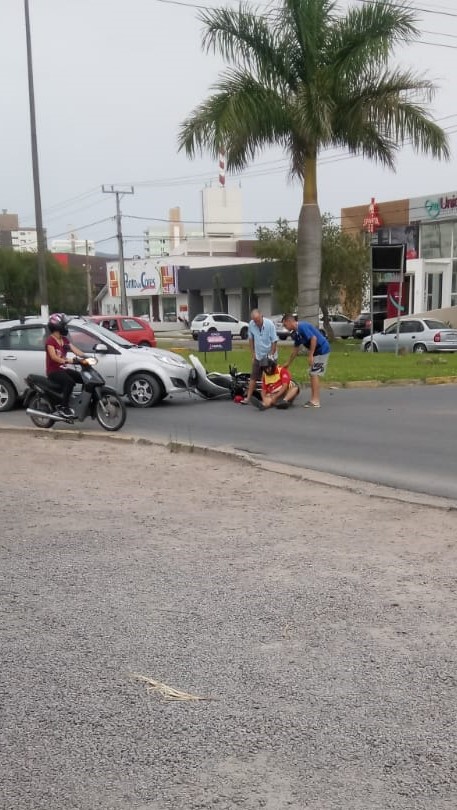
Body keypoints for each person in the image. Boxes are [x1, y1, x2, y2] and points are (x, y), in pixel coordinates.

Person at [282, 314, 330, 408]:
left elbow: (314, 338)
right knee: (312, 373)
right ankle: (313, 399)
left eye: (285, 325)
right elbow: (295, 349)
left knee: (314, 373)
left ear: (289, 321)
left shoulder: (302, 326)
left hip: (322, 349)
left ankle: (315, 401)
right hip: (316, 351)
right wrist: (288, 363)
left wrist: (310, 355)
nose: (285, 327)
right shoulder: (296, 333)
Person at [45, 313, 86, 417]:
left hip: (63, 370)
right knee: (70, 382)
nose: (66, 328)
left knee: (84, 378)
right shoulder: (50, 341)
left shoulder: (64, 339)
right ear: (57, 327)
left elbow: (74, 349)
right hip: (53, 371)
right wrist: (68, 361)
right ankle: (64, 407)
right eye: (64, 325)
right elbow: (54, 357)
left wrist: (86, 356)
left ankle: (82, 402)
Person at [241, 309, 278, 406]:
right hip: (258, 355)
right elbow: (251, 339)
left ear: (262, 316)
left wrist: (271, 356)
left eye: (258, 320)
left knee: (268, 378)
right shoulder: (251, 324)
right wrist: (253, 354)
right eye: (254, 320)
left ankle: (268, 399)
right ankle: (248, 398)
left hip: (269, 354)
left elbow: (274, 341)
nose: (256, 322)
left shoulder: (270, 324)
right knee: (253, 377)